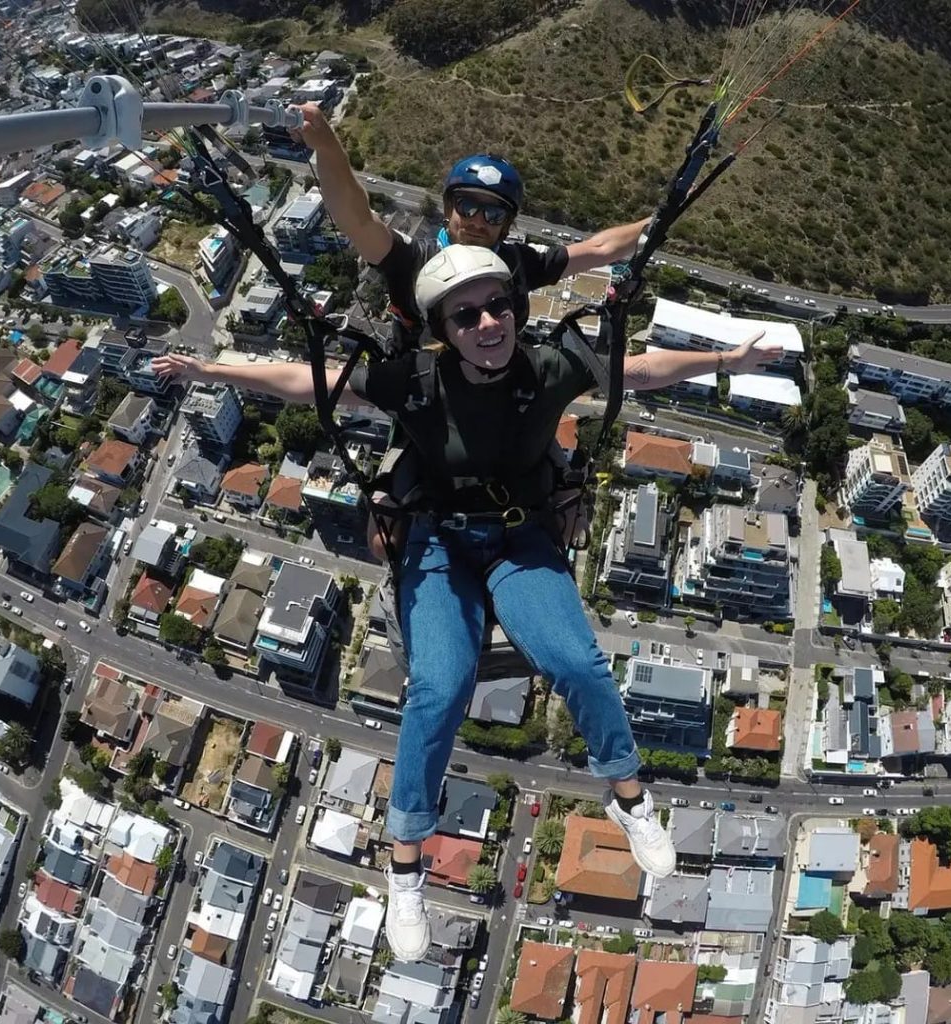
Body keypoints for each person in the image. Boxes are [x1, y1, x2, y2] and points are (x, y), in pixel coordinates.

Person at [151, 245, 781, 964]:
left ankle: (629, 798)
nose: (490, 322)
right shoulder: (416, 381)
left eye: (500, 305)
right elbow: (311, 382)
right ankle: (406, 864)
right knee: (438, 689)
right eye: (468, 314)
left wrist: (727, 361)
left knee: (577, 660)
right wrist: (210, 370)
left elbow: (637, 371)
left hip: (519, 540)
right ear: (444, 329)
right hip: (440, 545)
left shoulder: (548, 367)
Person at [292, 103, 654, 354]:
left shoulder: (518, 263)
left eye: (494, 215)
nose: (479, 221)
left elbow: (601, 249)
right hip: (421, 394)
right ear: (449, 207)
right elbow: (356, 219)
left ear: (507, 225)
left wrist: (654, 224)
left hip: (494, 385)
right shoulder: (413, 260)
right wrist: (328, 147)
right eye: (468, 207)